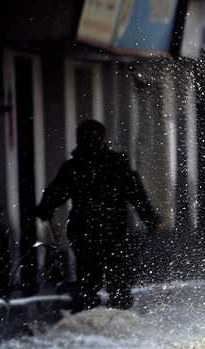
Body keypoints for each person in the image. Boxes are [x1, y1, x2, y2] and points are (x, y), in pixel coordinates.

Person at [34, 120, 161, 311]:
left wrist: (45, 209)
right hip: (110, 231)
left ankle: (93, 313)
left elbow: (55, 194)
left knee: (92, 279)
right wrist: (150, 219)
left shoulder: (75, 167)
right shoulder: (113, 164)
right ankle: (115, 315)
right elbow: (136, 194)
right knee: (114, 278)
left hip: (89, 231)